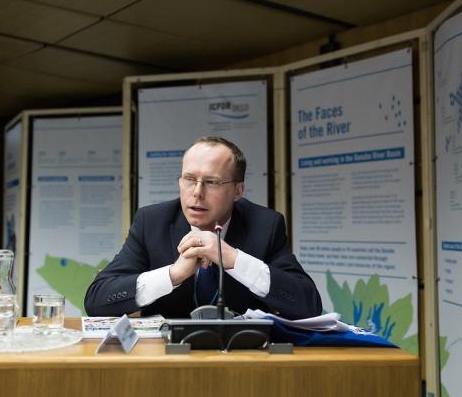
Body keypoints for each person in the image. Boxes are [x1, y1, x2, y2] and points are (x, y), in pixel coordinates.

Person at [84, 136, 322, 319]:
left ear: (238, 190)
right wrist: (173, 275)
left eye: (212, 182)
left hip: (240, 359)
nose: (197, 192)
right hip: (166, 360)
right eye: (189, 179)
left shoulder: (265, 225)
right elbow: (97, 300)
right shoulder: (152, 222)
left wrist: (234, 259)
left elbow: (309, 305)